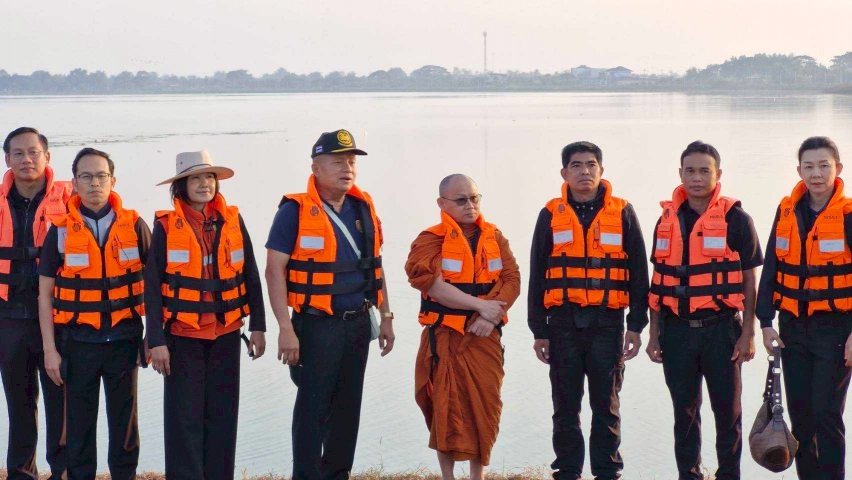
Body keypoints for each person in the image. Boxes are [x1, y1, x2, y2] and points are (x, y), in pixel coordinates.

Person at [265, 129, 395, 480]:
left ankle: (338, 475)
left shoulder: (363, 208)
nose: (347, 168)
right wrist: (285, 329)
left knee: (348, 409)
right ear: (316, 168)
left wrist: (386, 316)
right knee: (312, 408)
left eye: (351, 162)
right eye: (338, 162)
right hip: (315, 325)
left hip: (358, 323)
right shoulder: (293, 211)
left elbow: (376, 266)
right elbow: (274, 271)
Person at [528, 141, 649, 480]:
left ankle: (607, 472)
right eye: (577, 165)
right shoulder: (550, 214)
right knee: (565, 406)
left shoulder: (623, 212)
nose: (585, 171)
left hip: (607, 322)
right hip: (562, 323)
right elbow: (538, 274)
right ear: (564, 173)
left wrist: (636, 325)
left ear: (601, 170)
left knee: (606, 404)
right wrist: (539, 330)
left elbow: (639, 274)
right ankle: (567, 471)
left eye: (591, 164)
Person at [145, 150, 267, 480]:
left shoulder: (233, 220)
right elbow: (152, 287)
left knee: (223, 417)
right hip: (182, 337)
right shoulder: (165, 227)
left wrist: (258, 326)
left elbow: (251, 275)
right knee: (183, 421)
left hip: (227, 333)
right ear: (181, 186)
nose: (204, 184)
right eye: (196, 178)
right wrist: (156, 340)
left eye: (209, 177)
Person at [645, 141, 763, 480]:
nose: (696, 178)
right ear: (680, 174)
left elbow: (749, 282)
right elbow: (659, 281)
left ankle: (729, 475)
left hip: (722, 330)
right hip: (676, 331)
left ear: (718, 174)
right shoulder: (666, 220)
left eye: (704, 171)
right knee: (684, 415)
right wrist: (653, 334)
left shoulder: (737, 219)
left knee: (728, 414)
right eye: (690, 171)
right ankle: (689, 475)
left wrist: (748, 334)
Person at [37, 147, 151, 480]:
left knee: (125, 427)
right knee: (79, 428)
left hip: (125, 340)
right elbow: (45, 296)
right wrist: (50, 351)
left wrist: (152, 338)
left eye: (101, 176)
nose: (94, 183)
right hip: (77, 343)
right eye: (86, 177)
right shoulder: (60, 231)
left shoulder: (135, 225)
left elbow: (157, 288)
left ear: (113, 180)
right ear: (74, 183)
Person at [405, 174, 520, 480]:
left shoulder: (495, 237)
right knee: (445, 408)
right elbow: (430, 284)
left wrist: (489, 317)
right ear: (442, 204)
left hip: (484, 337)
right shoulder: (430, 240)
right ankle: (448, 477)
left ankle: (477, 476)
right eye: (461, 200)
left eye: (474, 198)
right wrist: (480, 307)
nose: (470, 205)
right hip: (445, 336)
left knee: (486, 406)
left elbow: (512, 279)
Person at [757, 136, 852, 480]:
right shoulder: (787, 212)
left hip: (836, 330)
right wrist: (765, 322)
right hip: (792, 328)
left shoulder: (848, 215)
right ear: (799, 170)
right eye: (809, 167)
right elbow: (771, 268)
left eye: (824, 166)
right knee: (800, 418)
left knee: (827, 414)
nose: (816, 174)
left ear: (838, 169)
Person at [0, 127, 71, 480]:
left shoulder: (72, 200)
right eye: (18, 153)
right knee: (20, 408)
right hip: (9, 318)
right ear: (7, 159)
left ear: (47, 156)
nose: (26, 159)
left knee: (63, 406)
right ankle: (20, 475)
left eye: (33, 152)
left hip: (60, 319)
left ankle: (64, 473)